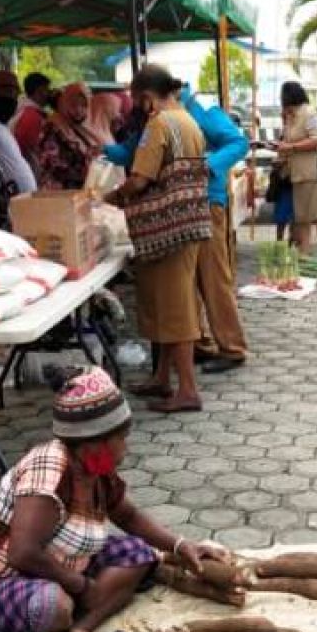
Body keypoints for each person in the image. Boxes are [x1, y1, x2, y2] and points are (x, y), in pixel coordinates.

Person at [0, 366, 230, 632]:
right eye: (121, 438)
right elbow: (21, 554)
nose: (126, 447)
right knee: (54, 607)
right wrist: (82, 586)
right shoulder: (49, 471)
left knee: (139, 553)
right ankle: (79, 613)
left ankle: (82, 627)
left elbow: (128, 515)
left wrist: (180, 545)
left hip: (58, 563)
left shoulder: (95, 466)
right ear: (93, 444)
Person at [105, 86, 250, 374]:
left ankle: (232, 348)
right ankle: (200, 343)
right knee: (187, 280)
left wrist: (206, 167)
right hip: (180, 208)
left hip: (207, 203)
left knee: (212, 278)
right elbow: (129, 151)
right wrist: (97, 146)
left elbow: (238, 142)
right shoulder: (158, 118)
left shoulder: (201, 109)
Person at [106, 64, 208, 413]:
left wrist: (109, 199)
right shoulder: (188, 120)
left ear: (147, 98)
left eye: (137, 101)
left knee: (176, 310)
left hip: (168, 230)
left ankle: (188, 390)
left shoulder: (159, 124)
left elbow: (139, 179)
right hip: (189, 222)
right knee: (167, 306)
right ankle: (162, 378)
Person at [275, 82, 317, 266]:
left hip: (311, 171)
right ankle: (312, 254)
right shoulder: (292, 116)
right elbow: (286, 139)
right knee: (308, 215)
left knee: (315, 214)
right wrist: (284, 122)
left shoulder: (309, 113)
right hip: (298, 172)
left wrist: (292, 147)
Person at [36, 82, 102, 191]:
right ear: (64, 103)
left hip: (80, 193)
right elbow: (50, 163)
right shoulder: (53, 127)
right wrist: (83, 171)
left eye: (84, 105)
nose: (78, 110)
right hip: (58, 195)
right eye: (73, 105)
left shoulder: (87, 128)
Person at [11, 72, 53, 163]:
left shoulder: (22, 107)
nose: (50, 94)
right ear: (40, 91)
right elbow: (27, 150)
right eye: (47, 90)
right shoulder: (32, 116)